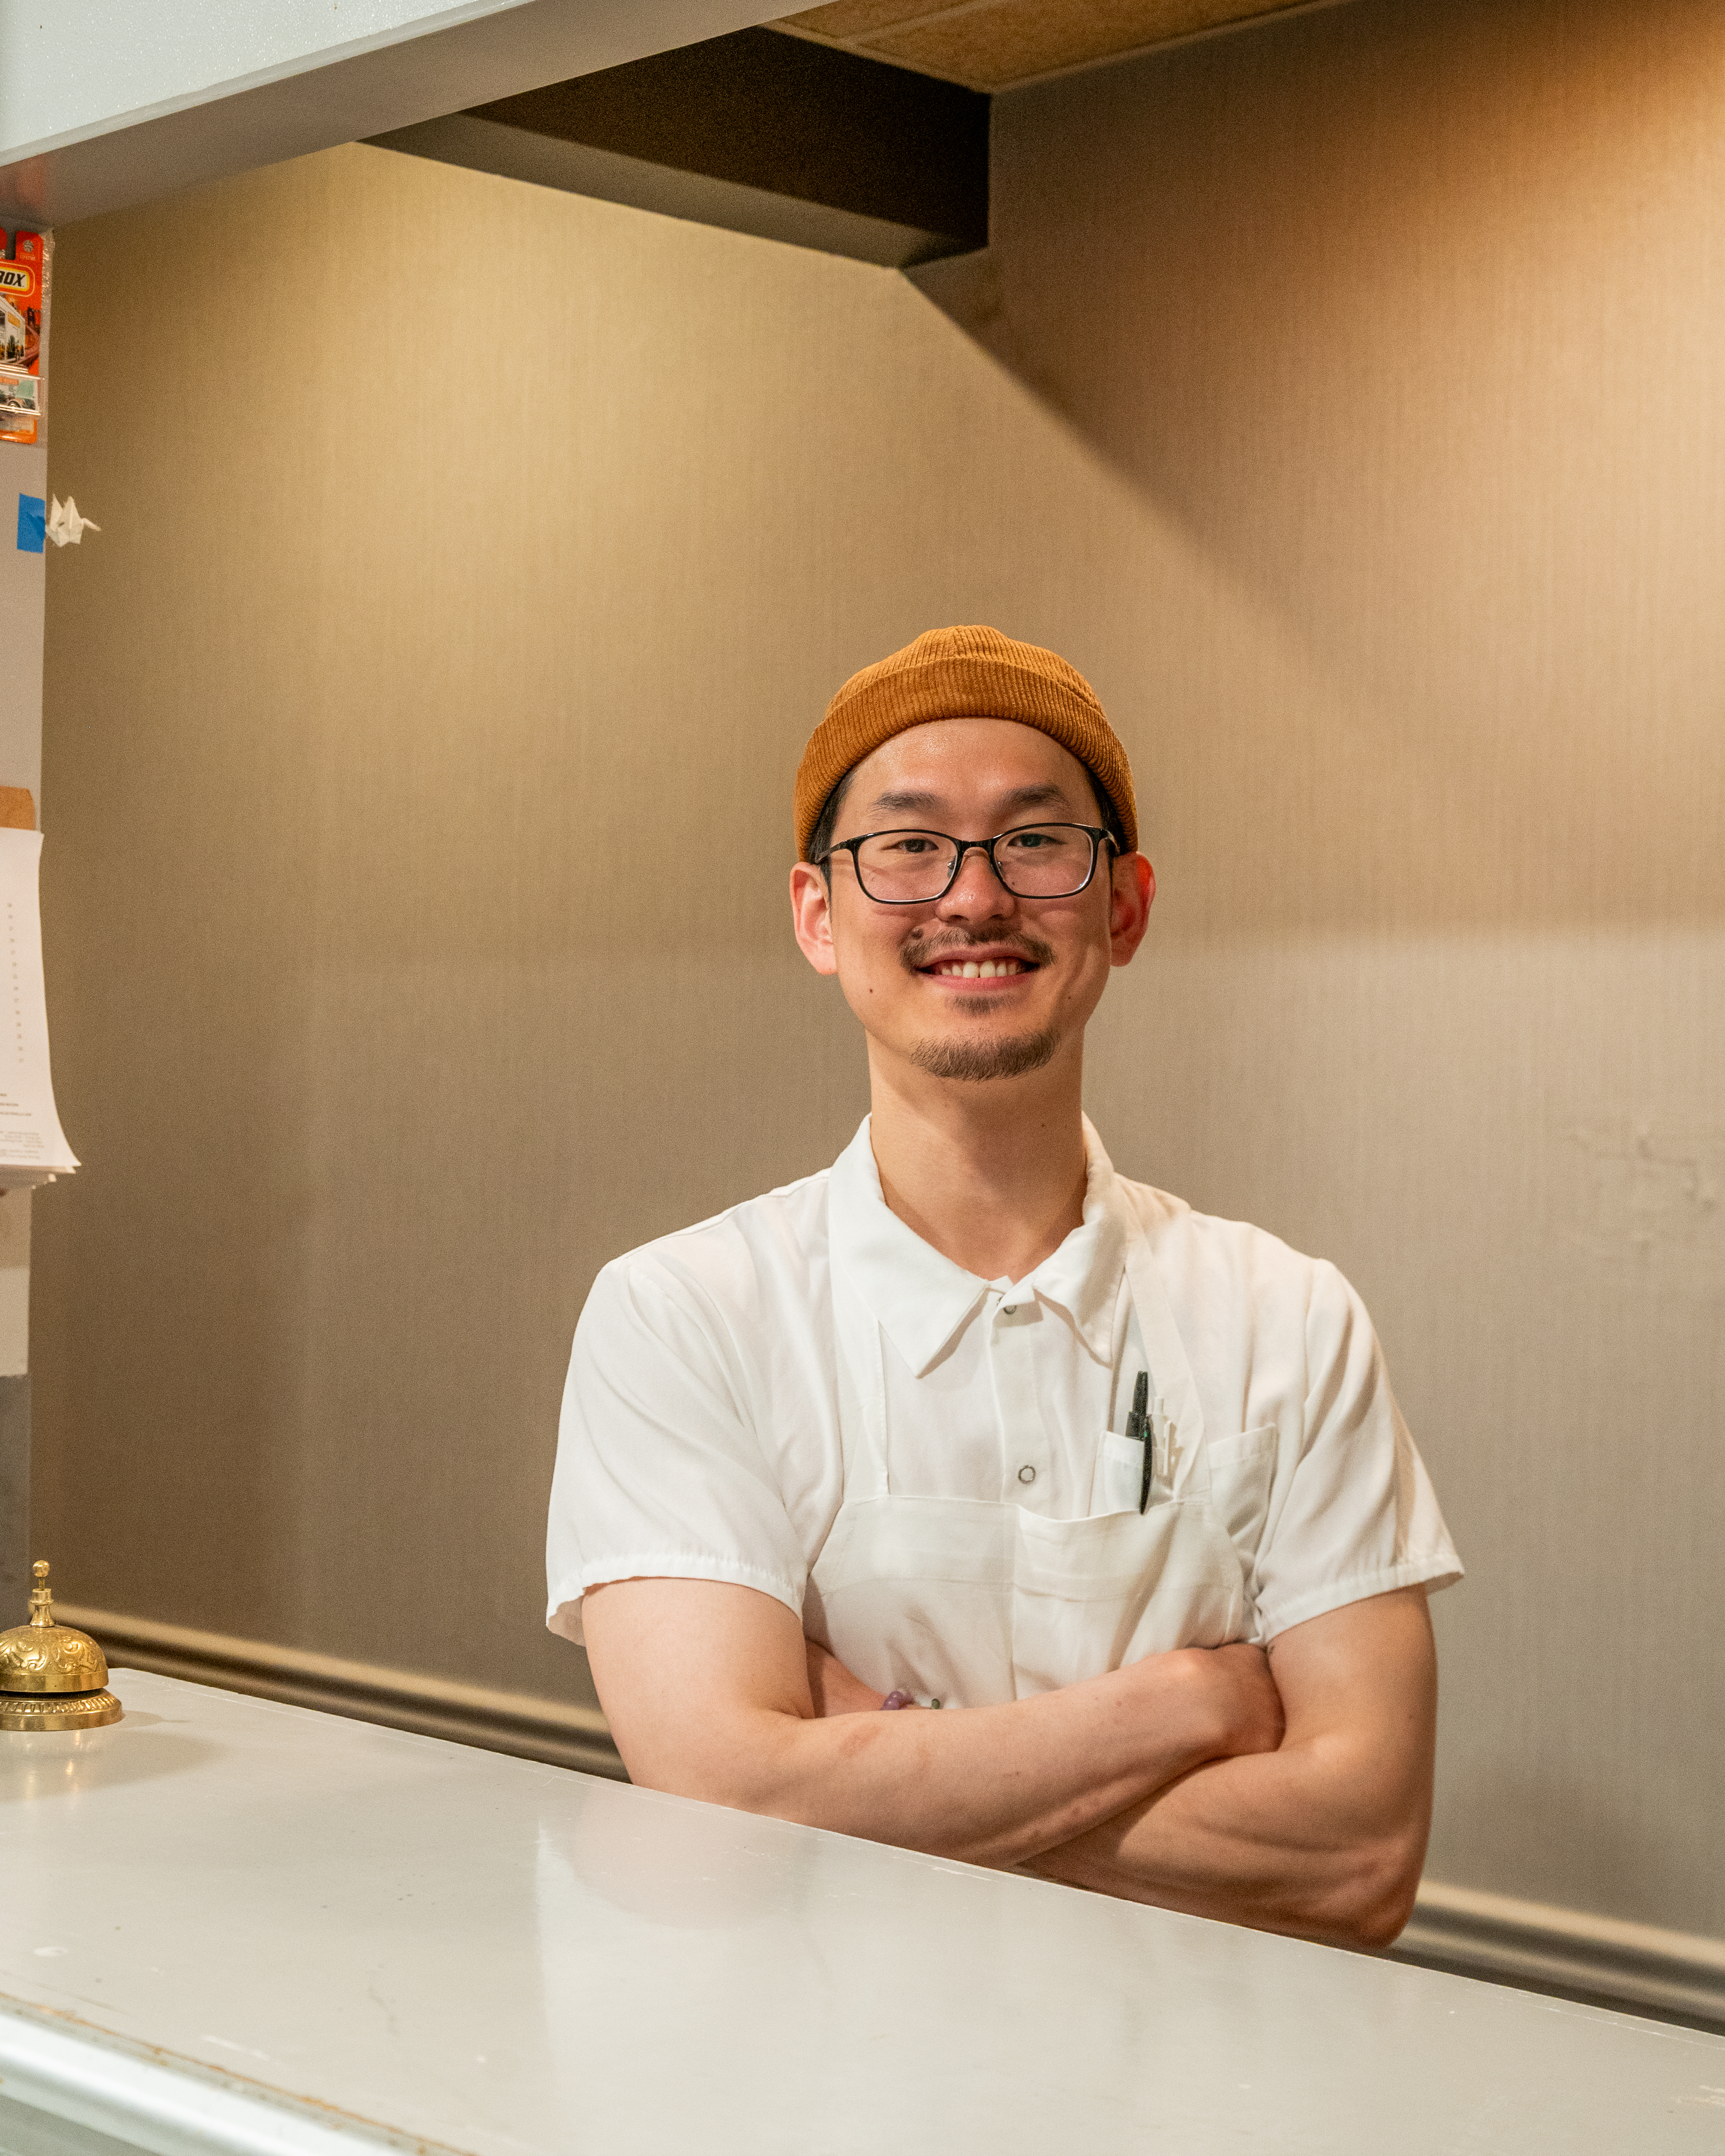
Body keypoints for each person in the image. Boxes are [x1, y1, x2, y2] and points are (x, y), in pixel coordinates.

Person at [547, 625, 1462, 1948]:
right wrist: (1186, 1709)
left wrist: (878, 1761)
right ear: (819, 914)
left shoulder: (1290, 1318)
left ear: (1124, 905)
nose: (972, 899)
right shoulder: (683, 1314)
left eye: (1037, 842)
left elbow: (1359, 1858)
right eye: (907, 846)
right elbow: (720, 1813)